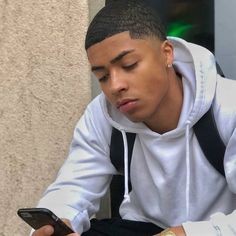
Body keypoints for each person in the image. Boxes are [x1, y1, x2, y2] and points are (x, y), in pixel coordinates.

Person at [31, 0, 236, 235]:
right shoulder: (102, 114)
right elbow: (73, 188)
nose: (115, 86)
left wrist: (184, 233)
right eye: (103, 76)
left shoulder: (228, 105)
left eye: (129, 65)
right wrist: (58, 222)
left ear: (166, 54)